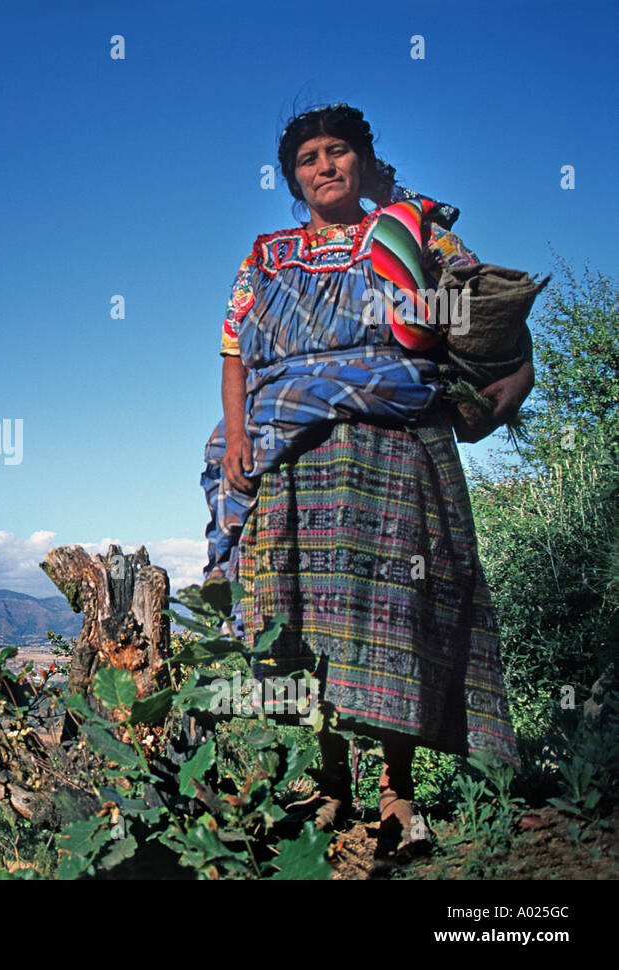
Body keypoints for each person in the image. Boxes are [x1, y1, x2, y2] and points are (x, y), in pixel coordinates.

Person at [199, 103, 533, 858]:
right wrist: (239, 434)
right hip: (291, 445)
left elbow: (484, 306)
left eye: (338, 151)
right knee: (303, 608)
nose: (325, 166)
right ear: (293, 180)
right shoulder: (266, 257)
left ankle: (396, 791)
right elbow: (233, 351)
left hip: (392, 440)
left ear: (362, 159)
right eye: (308, 158)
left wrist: (511, 371)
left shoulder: (408, 232)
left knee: (392, 610)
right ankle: (330, 782)